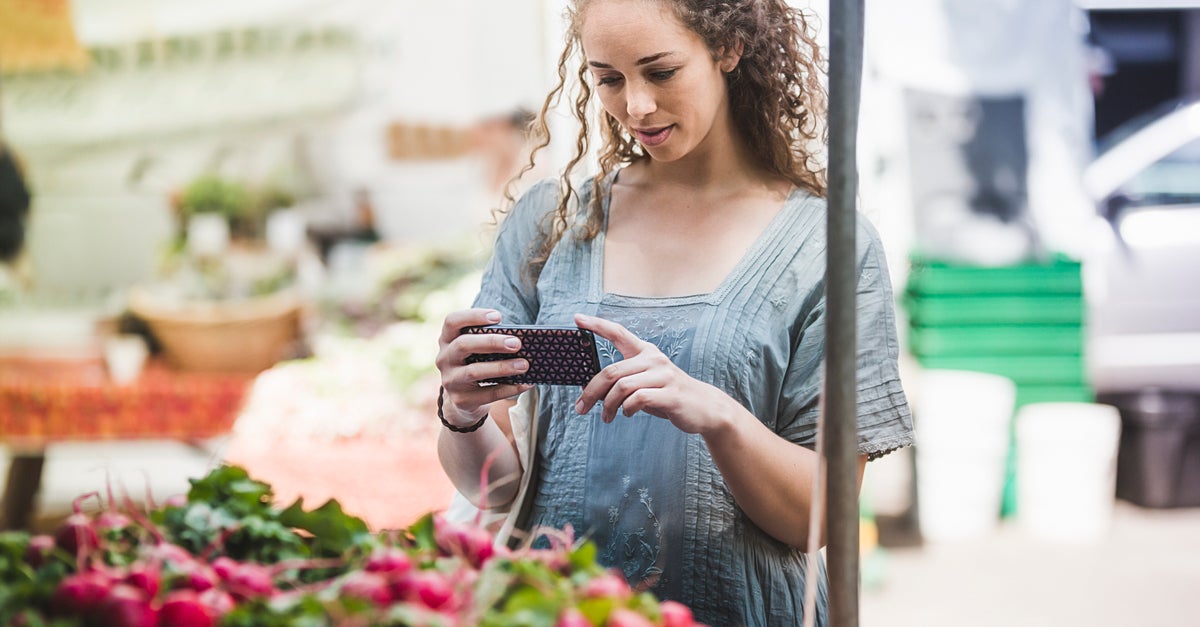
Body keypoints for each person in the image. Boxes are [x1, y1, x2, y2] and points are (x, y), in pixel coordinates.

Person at [434, 1, 914, 625]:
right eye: (609, 78)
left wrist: (719, 417)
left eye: (660, 72)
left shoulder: (826, 246)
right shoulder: (551, 224)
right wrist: (463, 411)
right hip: (554, 609)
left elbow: (819, 518)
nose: (635, 105)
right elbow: (496, 488)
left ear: (729, 49)